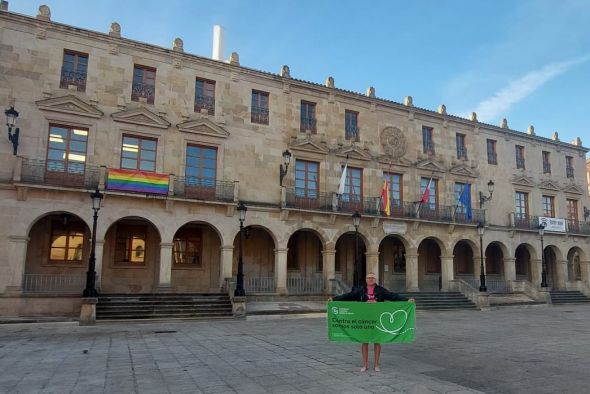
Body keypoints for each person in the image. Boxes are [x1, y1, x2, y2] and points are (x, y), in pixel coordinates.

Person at [332, 272, 415, 372]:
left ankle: (376, 365)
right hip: (364, 319)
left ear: (375, 280)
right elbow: (348, 296)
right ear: (366, 280)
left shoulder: (380, 290)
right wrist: (334, 299)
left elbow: (392, 296)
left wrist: (406, 300)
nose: (370, 279)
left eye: (372, 278)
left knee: (377, 341)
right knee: (364, 341)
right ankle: (365, 364)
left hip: (377, 318)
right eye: (369, 278)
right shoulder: (360, 290)